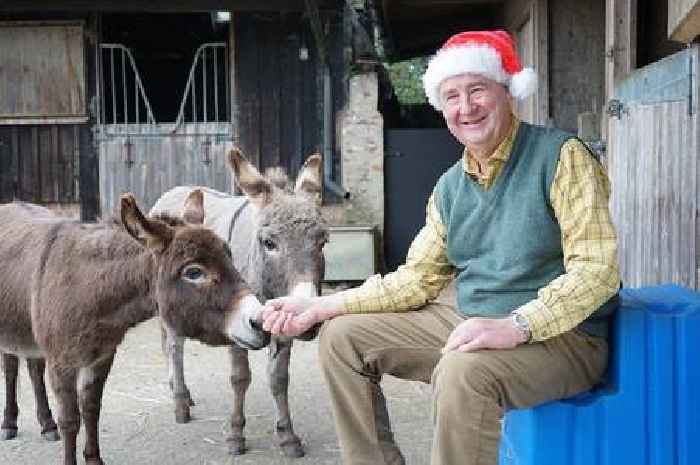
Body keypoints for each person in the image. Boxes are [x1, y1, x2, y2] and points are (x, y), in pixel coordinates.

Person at [261, 30, 620, 465]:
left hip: (563, 337)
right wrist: (321, 307)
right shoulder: (450, 187)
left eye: (477, 91)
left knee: (462, 372)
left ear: (507, 93)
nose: (465, 107)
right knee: (341, 338)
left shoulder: (561, 157)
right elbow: (416, 279)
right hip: (473, 317)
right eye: (452, 96)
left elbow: (597, 270)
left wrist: (516, 325)